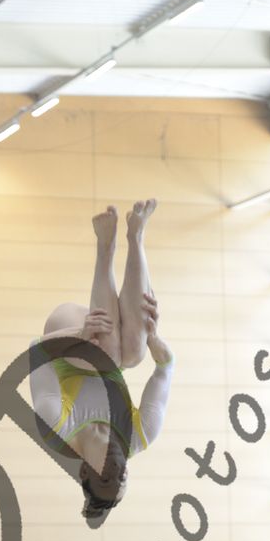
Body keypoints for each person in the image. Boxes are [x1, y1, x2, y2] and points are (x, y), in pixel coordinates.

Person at [29, 200, 175, 524]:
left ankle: (105, 248)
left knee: (108, 356)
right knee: (135, 352)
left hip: (65, 332)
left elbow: (37, 351)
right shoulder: (141, 434)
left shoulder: (57, 427)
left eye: (107, 477)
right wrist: (155, 339)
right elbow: (165, 368)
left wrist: (79, 335)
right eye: (123, 477)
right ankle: (136, 236)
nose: (118, 469)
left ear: (85, 470)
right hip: (111, 339)